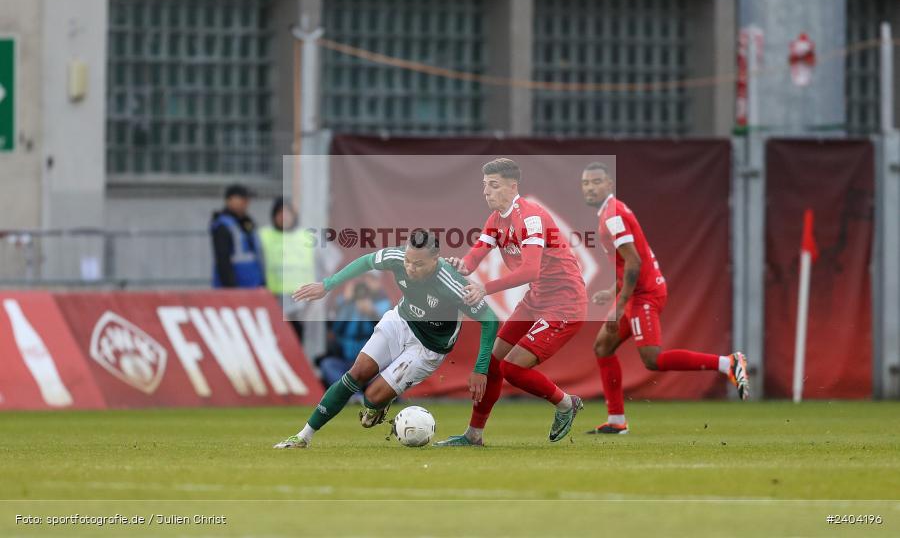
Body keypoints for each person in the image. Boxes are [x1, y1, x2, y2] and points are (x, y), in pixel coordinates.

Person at [273, 229, 499, 449]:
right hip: (400, 322)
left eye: (418, 264)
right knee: (356, 374)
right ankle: (303, 436)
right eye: (408, 261)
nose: (410, 268)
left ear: (435, 260)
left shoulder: (451, 283)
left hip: (428, 347)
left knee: (371, 399)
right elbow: (366, 262)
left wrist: (480, 369)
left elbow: (490, 319)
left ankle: (378, 404)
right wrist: (327, 285)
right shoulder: (398, 257)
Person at [581, 161, 750, 435]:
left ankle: (727, 363)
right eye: (585, 183)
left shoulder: (612, 216)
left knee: (652, 359)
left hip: (644, 295)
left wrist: (617, 307)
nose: (590, 188)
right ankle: (616, 421)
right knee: (602, 346)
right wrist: (612, 292)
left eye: (595, 182)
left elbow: (634, 263)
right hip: (635, 292)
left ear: (609, 184)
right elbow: (627, 264)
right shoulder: (610, 213)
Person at [435, 158, 588, 446]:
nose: (486, 192)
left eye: (493, 186)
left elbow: (531, 270)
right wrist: (460, 265)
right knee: (493, 363)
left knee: (512, 368)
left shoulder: (529, 218)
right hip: (536, 300)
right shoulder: (496, 220)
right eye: (484, 186)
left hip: (564, 304)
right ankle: (473, 436)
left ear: (512, 186)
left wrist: (485, 289)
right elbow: (473, 259)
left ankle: (567, 403)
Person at [258, 198, 315, 340]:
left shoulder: (305, 236)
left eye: (287, 213)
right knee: (275, 337)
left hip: (300, 297)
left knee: (296, 337)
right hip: (275, 295)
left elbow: (317, 264)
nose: (283, 217)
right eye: (280, 213)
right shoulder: (264, 235)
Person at [318, 278, 390, 386]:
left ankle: (373, 395)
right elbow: (336, 329)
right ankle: (354, 396)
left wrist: (372, 313)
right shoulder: (345, 304)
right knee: (327, 364)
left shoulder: (382, 303)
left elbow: (388, 330)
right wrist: (345, 302)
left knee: (388, 368)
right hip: (346, 362)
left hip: (372, 364)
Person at [210, 184, 265, 289]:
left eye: (247, 199)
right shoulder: (222, 225)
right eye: (242, 198)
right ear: (229, 200)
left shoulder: (247, 223)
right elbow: (223, 261)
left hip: (254, 286)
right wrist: (231, 290)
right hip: (235, 289)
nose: (246, 202)